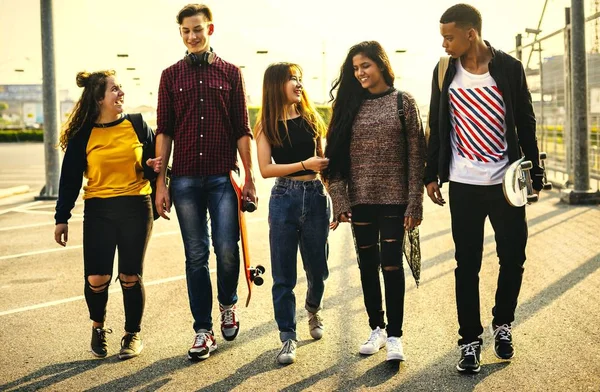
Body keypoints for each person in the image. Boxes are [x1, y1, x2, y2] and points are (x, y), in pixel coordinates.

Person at [424, 4, 544, 374]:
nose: (444, 43)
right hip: (463, 183)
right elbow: (436, 122)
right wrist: (432, 173)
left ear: (470, 34)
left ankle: (503, 324)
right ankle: (470, 340)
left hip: (506, 183)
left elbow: (525, 120)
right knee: (467, 264)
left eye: (449, 37)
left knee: (513, 258)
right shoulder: (445, 71)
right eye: (442, 37)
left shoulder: (508, 67)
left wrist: (534, 173)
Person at [154, 3, 257, 361]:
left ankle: (227, 304)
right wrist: (160, 184)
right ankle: (203, 330)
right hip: (182, 179)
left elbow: (242, 129)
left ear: (209, 30)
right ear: (180, 34)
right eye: (185, 31)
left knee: (227, 249)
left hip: (220, 176)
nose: (192, 36)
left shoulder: (230, 73)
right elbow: (164, 131)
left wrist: (251, 178)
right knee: (195, 254)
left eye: (197, 29)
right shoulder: (170, 76)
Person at [323, 41, 426, 363]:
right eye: (355, 68)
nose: (360, 73)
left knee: (391, 264)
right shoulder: (348, 106)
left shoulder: (403, 102)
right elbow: (334, 161)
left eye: (365, 65)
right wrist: (340, 199)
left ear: (380, 64)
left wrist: (414, 203)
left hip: (395, 200)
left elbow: (416, 158)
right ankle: (376, 329)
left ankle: (395, 335)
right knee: (367, 265)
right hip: (361, 200)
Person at [54, 70, 161, 360]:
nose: (121, 93)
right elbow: (70, 178)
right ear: (99, 98)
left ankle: (132, 334)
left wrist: (151, 165)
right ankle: (98, 326)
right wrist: (62, 217)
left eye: (121, 88)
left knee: (129, 275)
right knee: (97, 278)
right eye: (114, 89)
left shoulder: (138, 124)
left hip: (136, 207)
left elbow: (154, 167)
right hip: (99, 210)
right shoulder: (83, 134)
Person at [255, 63, 332, 365]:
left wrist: (338, 202)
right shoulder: (267, 125)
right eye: (292, 79)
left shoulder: (312, 119)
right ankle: (288, 336)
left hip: (314, 197)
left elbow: (323, 164)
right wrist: (303, 164)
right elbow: (265, 169)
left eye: (299, 79)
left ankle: (313, 308)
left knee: (319, 268)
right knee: (283, 275)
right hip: (283, 197)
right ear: (276, 85)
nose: (298, 84)